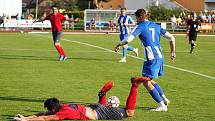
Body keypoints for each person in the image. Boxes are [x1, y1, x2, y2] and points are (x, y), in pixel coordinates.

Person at [115, 9, 176, 111]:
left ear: (140, 17)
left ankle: (161, 105)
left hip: (151, 58)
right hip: (160, 57)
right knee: (149, 80)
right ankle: (164, 99)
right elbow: (172, 37)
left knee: (146, 82)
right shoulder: (156, 25)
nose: (136, 21)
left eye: (137, 18)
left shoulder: (141, 26)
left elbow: (128, 39)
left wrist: (119, 44)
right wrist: (173, 52)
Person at [14, 77, 149, 120]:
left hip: (98, 112)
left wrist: (25, 120)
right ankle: (102, 95)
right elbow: (42, 114)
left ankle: (135, 85)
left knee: (130, 113)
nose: (48, 111)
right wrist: (25, 117)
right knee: (101, 105)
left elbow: (44, 118)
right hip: (93, 107)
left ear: (52, 108)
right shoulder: (62, 106)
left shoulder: (62, 113)